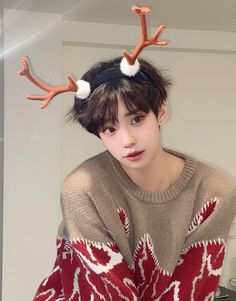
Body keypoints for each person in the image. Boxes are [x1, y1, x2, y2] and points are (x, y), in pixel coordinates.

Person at [19, 6, 236, 301]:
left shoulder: (214, 191)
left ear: (160, 112)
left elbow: (194, 288)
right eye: (110, 129)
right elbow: (105, 291)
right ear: (99, 135)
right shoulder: (84, 189)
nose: (128, 140)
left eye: (136, 119)